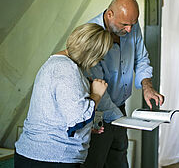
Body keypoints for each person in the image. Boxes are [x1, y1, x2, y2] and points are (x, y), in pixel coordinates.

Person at [14, 23, 112, 168]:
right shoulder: (67, 69)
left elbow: (60, 114)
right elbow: (78, 117)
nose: (97, 63)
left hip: (34, 154)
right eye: (99, 58)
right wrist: (96, 94)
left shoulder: (54, 63)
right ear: (91, 55)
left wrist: (85, 129)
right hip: (53, 158)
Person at [83, 0, 164, 168]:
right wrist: (123, 120)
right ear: (110, 14)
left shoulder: (131, 26)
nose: (129, 30)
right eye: (124, 25)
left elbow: (141, 58)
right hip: (98, 111)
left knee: (119, 159)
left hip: (120, 107)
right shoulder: (91, 34)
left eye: (132, 24)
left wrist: (147, 86)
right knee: (95, 162)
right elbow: (96, 84)